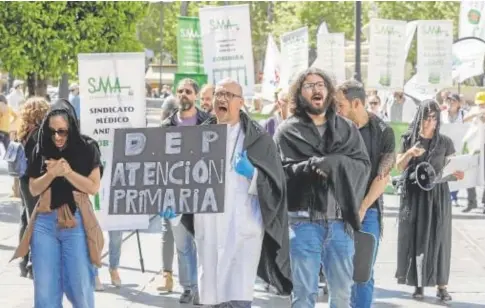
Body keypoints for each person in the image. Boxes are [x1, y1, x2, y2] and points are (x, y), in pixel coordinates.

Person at [180, 78, 292, 307]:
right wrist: (173, 209)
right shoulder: (196, 137)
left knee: (237, 298)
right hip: (209, 229)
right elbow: (182, 179)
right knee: (210, 298)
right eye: (218, 94)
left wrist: (254, 175)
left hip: (243, 231)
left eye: (228, 95)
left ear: (240, 102)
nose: (222, 99)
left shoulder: (259, 140)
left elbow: (277, 185)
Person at [274, 68, 371, 308]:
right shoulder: (287, 131)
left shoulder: (347, 128)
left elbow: (363, 165)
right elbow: (278, 174)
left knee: (341, 296)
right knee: (304, 295)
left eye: (320, 85)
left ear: (328, 92)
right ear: (299, 94)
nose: (316, 89)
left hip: (340, 223)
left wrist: (336, 163)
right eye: (309, 85)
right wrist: (309, 167)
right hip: (302, 223)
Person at [11, 98, 104, 307]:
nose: (57, 137)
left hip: (76, 221)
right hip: (45, 222)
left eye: (62, 131)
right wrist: (51, 174)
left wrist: (68, 172)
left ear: (71, 127)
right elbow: (34, 188)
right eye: (52, 131)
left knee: (80, 287)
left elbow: (92, 187)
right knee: (45, 291)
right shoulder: (39, 146)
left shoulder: (88, 148)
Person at [395, 99, 464, 302]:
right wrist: (410, 152)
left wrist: (457, 174)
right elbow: (398, 166)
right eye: (426, 117)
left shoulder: (444, 142)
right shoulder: (409, 138)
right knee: (417, 237)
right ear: (420, 117)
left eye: (434, 118)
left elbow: (452, 167)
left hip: (438, 196)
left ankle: (442, 286)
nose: (430, 121)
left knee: (440, 238)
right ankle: (418, 285)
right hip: (415, 196)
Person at [336, 80, 396, 308]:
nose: (338, 109)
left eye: (341, 104)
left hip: (368, 212)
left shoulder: (383, 131)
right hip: (337, 210)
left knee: (362, 272)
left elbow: (382, 177)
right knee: (339, 272)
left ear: (356, 103)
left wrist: (361, 208)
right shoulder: (336, 128)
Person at [159, 78, 209, 304]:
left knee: (202, 244)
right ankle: (188, 287)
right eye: (179, 91)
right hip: (175, 196)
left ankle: (202, 287)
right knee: (182, 246)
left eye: (187, 91)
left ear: (195, 95)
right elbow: (157, 163)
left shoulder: (209, 123)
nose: (183, 95)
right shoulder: (166, 126)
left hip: (203, 195)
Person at [16, 97, 50, 278]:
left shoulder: (24, 131)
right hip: (35, 180)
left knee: (26, 218)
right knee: (36, 221)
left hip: (23, 180)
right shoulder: (39, 133)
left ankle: (23, 261)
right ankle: (33, 265)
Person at [462, 91, 485, 213]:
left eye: (483, 104)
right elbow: (464, 119)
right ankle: (472, 201)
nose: (482, 106)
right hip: (473, 148)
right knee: (469, 174)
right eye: (480, 104)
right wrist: (476, 114)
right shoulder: (474, 110)